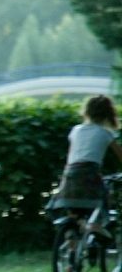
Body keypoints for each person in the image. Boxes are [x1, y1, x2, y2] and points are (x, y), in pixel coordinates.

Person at [46, 95, 122, 236]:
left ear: (86, 111)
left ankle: (71, 238)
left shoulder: (76, 130)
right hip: (90, 173)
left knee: (73, 209)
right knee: (105, 196)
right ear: (108, 114)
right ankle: (96, 223)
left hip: (70, 173)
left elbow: (72, 156)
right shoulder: (106, 133)